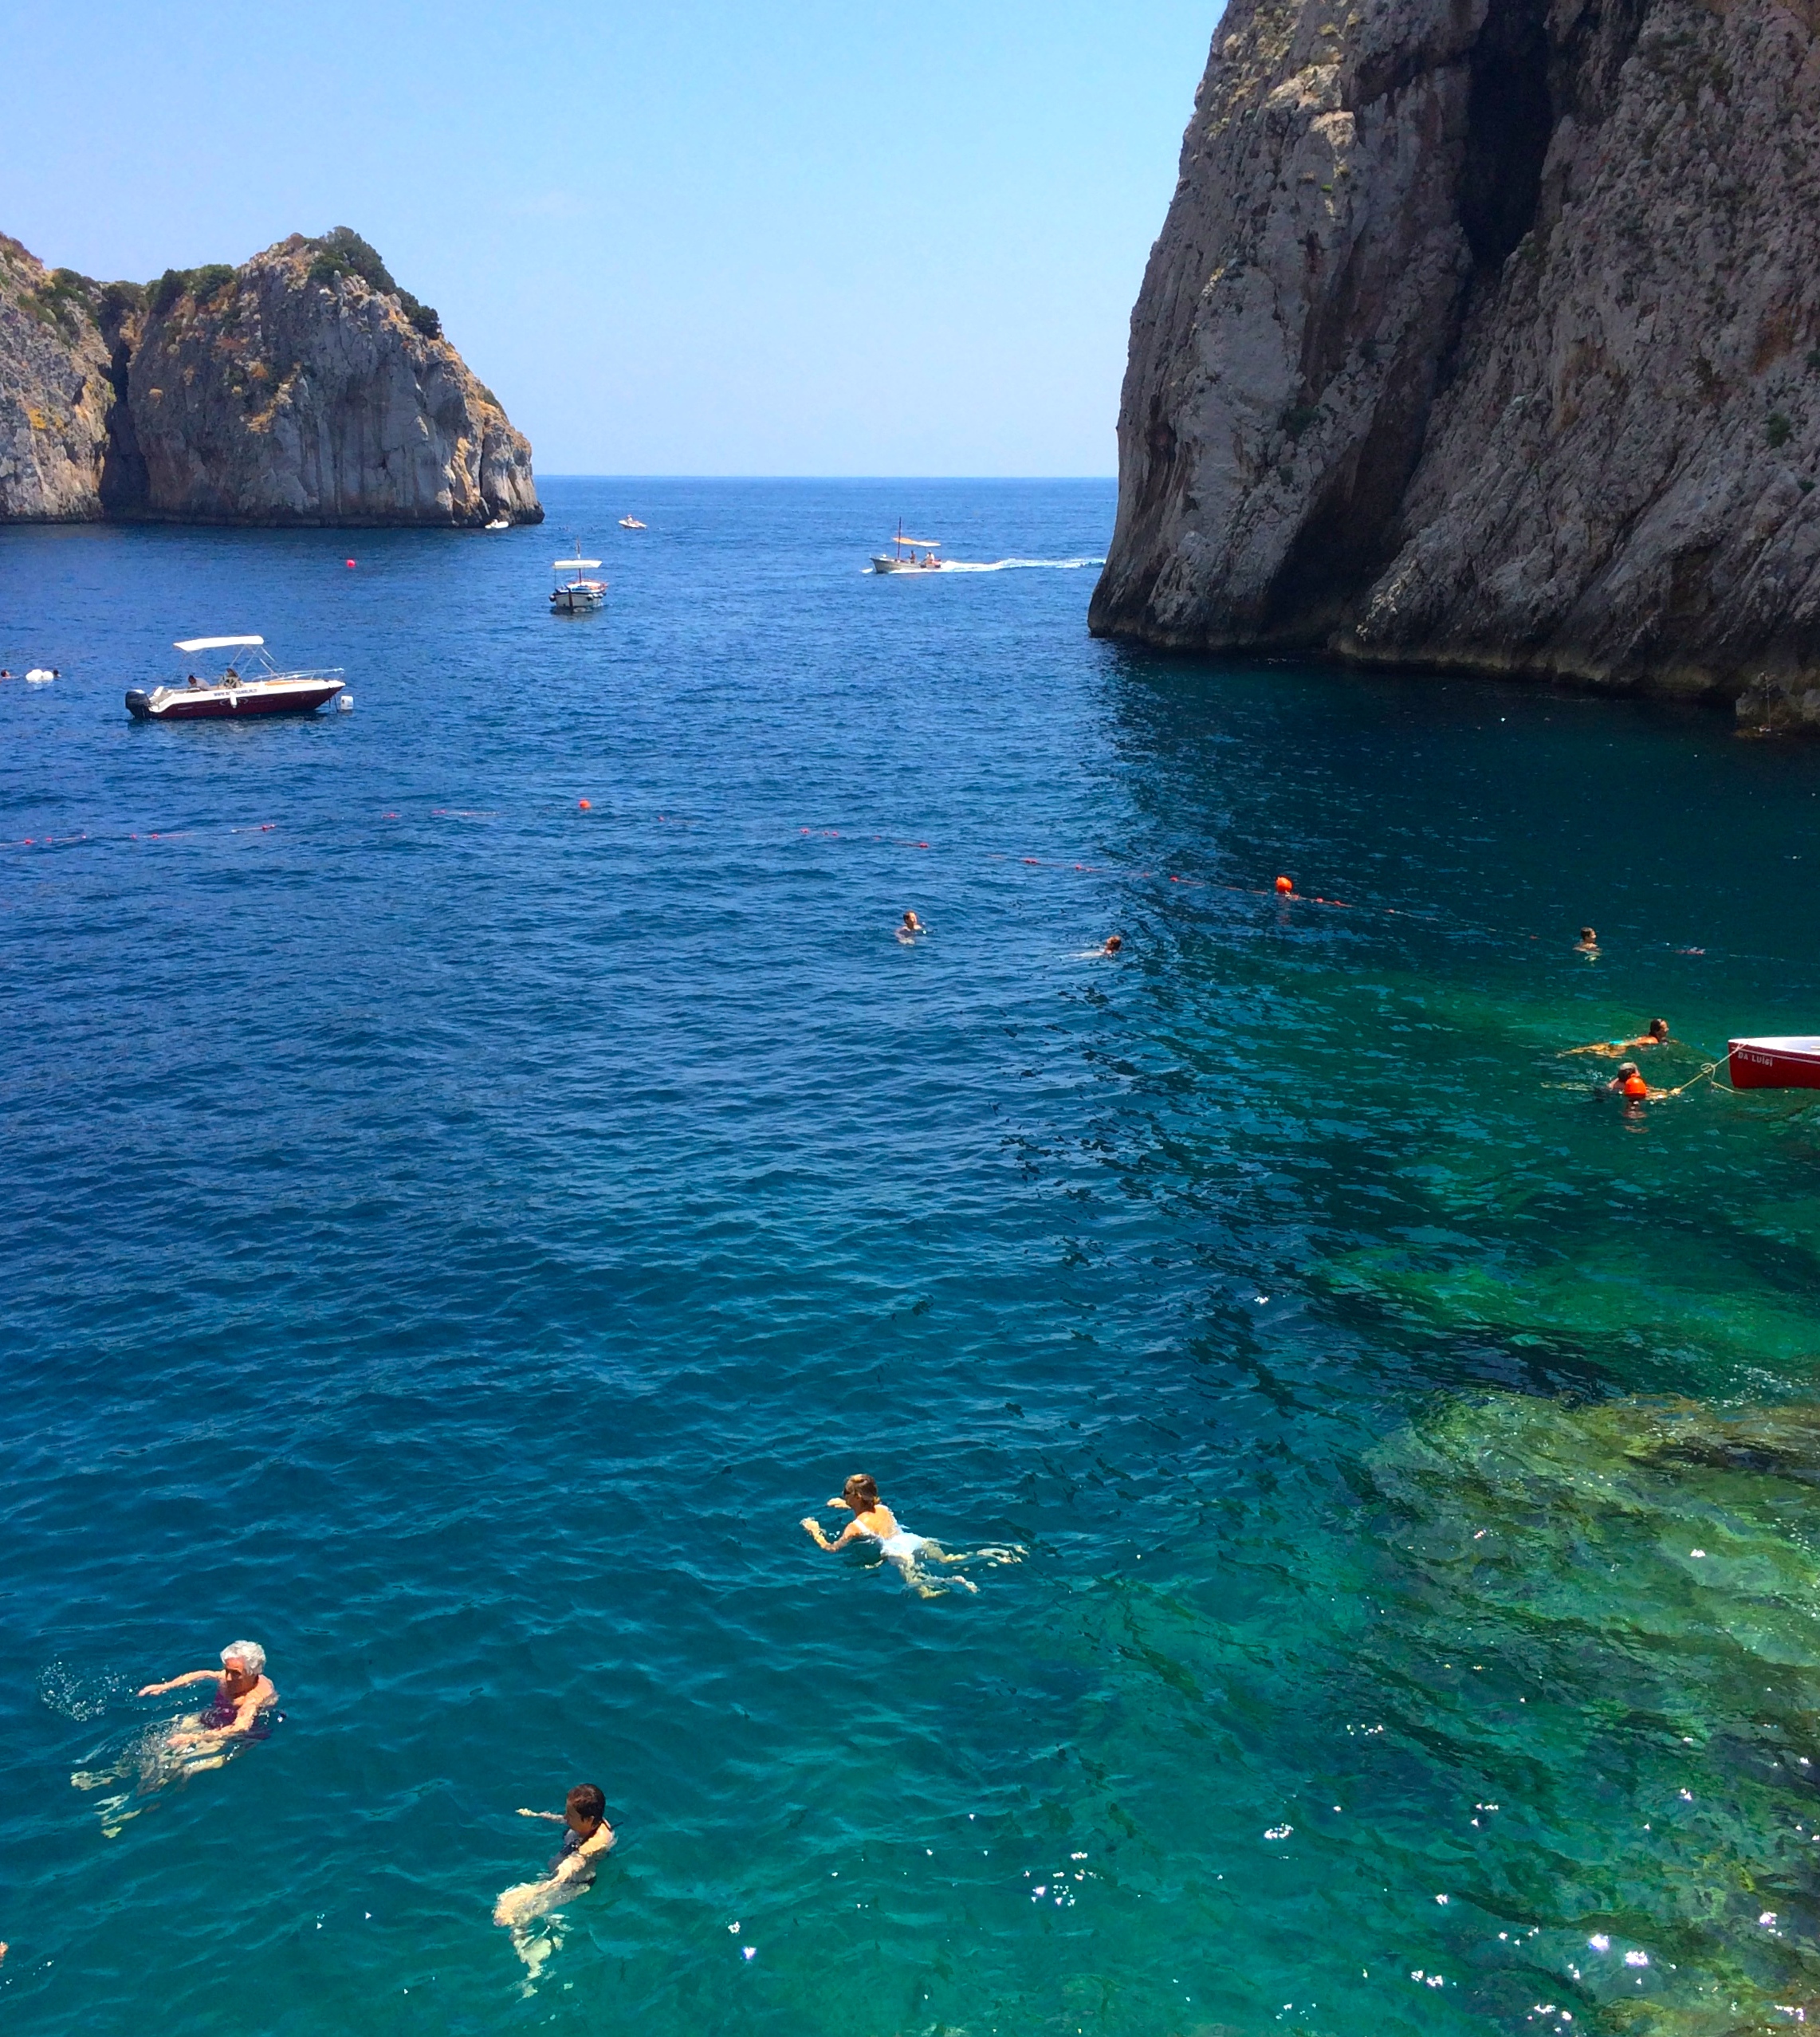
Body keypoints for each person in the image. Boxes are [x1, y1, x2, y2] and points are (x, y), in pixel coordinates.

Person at [802, 1473, 1020, 1599]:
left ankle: (954, 1582)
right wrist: (844, 1504)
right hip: (912, 1539)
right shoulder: (883, 1508)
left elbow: (831, 1548)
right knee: (950, 1559)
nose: (843, 1496)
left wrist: (815, 1530)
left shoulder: (854, 1527)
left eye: (846, 1493)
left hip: (897, 1552)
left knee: (924, 1591)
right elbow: (868, 1508)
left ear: (857, 1497)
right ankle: (993, 1554)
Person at [493, 1784, 615, 1932]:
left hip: (572, 1884)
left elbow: (574, 1863)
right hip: (559, 1876)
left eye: (570, 1815)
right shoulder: (588, 1821)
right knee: (507, 1904)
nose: (565, 1817)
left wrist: (542, 1889)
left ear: (588, 1820)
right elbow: (561, 1820)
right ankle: (522, 1931)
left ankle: (530, 1940)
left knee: (515, 1909)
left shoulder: (597, 1842)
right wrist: (536, 1815)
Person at [1563, 1017, 1672, 1057]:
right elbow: (1636, 1044)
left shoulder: (1648, 1036)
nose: (1667, 1030)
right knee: (1595, 1054)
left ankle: (1570, 1052)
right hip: (1621, 1047)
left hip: (1620, 1042)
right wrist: (1641, 1048)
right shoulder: (1652, 1042)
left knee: (1594, 1047)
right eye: (1665, 1029)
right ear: (1657, 1031)